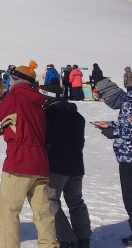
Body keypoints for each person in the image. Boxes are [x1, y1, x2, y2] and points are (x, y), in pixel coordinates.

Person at [0, 64, 56, 247]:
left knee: (8, 212)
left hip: (18, 162)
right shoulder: (39, 102)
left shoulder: (15, 97)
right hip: (40, 163)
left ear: (15, 79)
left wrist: (3, 127)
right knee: (43, 213)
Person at [40, 80, 91, 248]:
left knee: (50, 201)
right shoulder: (77, 116)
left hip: (56, 166)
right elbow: (80, 142)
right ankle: (83, 238)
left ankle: (68, 240)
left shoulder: (47, 114)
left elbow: (44, 141)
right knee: (76, 201)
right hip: (76, 165)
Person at [91, 77, 132, 246]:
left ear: (112, 94)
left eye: (106, 98)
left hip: (129, 159)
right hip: (126, 157)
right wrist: (109, 125)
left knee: (130, 198)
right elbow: (126, 125)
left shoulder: (129, 103)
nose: (106, 102)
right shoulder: (127, 103)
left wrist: (113, 132)